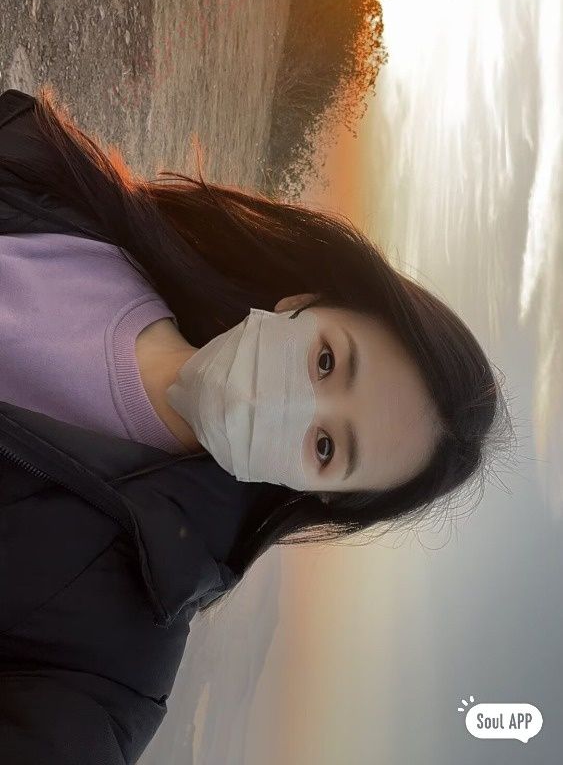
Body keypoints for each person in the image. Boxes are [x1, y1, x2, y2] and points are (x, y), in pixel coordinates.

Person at [0, 87, 515, 763]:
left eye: (326, 447)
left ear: (314, 490)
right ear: (304, 302)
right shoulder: (76, 198)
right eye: (327, 361)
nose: (292, 406)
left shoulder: (115, 652)